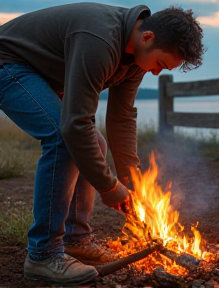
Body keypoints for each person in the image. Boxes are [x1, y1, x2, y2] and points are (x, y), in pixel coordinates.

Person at [0, 2, 204, 285]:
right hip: (8, 64)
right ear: (148, 38)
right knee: (63, 139)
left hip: (36, 74)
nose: (156, 73)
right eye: (160, 64)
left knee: (93, 143)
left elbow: (121, 116)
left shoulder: (137, 56)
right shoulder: (99, 40)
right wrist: (108, 188)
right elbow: (74, 124)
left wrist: (130, 177)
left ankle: (76, 241)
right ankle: (43, 254)